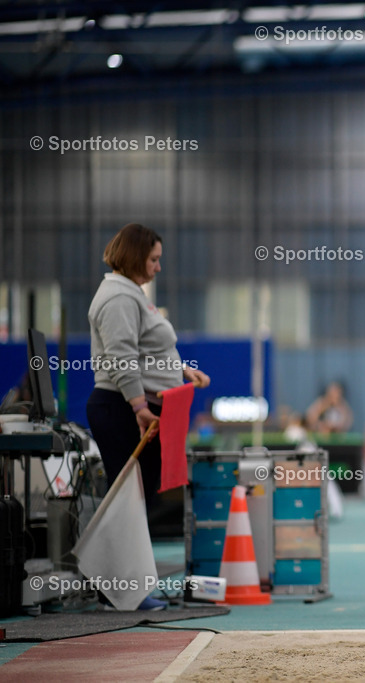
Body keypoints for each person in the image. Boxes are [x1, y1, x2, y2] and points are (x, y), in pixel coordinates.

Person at [86, 223, 211, 610]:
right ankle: (119, 591)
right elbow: (121, 357)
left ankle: (125, 587)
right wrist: (140, 407)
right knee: (126, 502)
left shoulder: (130, 295)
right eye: (154, 259)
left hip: (128, 406)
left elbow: (144, 352)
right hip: (121, 409)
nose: (158, 267)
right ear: (137, 256)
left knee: (135, 501)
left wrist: (179, 373)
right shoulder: (119, 298)